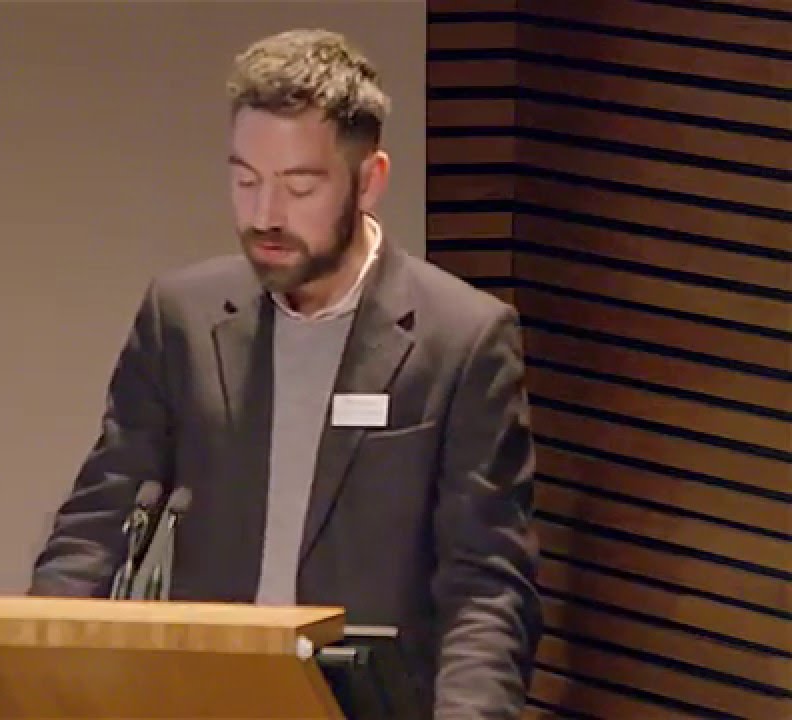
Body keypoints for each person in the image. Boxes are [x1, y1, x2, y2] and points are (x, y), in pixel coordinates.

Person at [28, 28, 542, 720]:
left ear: (369, 181)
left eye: (300, 186)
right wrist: (26, 675)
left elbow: (486, 590)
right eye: (246, 181)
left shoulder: (462, 340)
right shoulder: (182, 318)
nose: (265, 215)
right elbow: (97, 525)